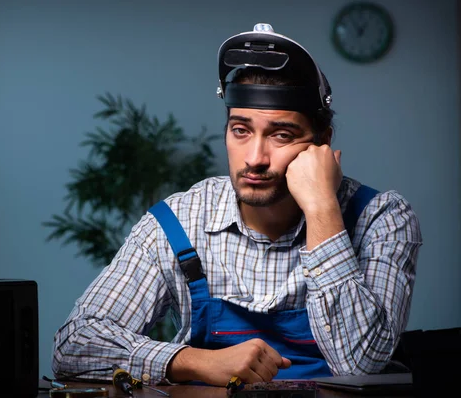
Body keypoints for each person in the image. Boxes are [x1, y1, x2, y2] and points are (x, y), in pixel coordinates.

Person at [51, 23, 422, 387]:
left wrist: (323, 208)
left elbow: (363, 361)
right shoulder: (179, 221)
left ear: (322, 143)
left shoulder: (381, 218)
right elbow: (75, 345)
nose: (255, 158)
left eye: (281, 134)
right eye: (240, 130)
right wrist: (195, 361)